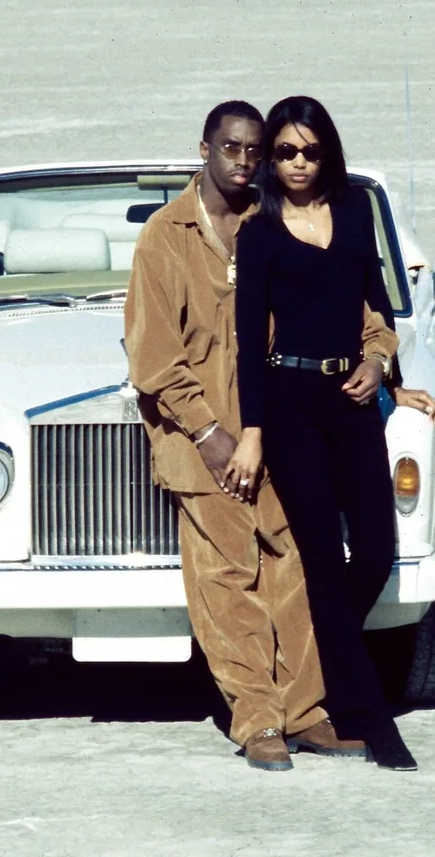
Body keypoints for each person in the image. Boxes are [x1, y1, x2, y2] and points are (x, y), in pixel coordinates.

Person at [124, 99, 401, 771]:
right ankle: (257, 721)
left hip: (281, 427)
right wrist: (212, 432)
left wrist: (382, 363)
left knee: (299, 570)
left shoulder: (275, 220)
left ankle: (308, 714)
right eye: (232, 149)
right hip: (202, 442)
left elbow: (358, 307)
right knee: (227, 581)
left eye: (255, 151)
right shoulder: (167, 236)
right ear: (204, 149)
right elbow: (154, 357)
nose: (245, 163)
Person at [229, 95, 419, 771]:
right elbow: (250, 341)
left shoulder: (355, 211)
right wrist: (252, 431)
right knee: (320, 558)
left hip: (351, 396)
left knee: (372, 553)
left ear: (327, 152)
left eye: (309, 150)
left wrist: (383, 371)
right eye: (284, 152)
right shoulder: (258, 232)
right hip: (290, 404)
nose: (297, 163)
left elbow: (378, 302)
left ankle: (330, 677)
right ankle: (370, 719)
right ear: (269, 161)